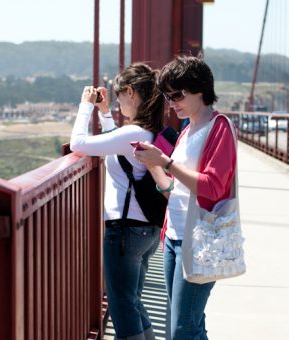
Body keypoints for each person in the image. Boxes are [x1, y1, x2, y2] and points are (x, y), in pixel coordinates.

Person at [134, 55, 236, 340]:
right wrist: (153, 164)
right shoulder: (186, 131)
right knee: (190, 324)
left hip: (198, 240)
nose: (171, 102)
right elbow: (174, 188)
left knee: (182, 329)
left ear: (200, 89)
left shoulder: (219, 128)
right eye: (168, 96)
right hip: (173, 237)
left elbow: (213, 186)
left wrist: (165, 162)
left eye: (177, 94)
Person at [70, 63, 165, 340]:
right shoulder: (146, 131)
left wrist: (85, 105)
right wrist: (105, 113)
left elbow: (77, 143)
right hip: (146, 231)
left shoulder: (132, 134)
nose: (118, 99)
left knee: (122, 307)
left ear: (131, 92)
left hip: (124, 232)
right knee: (133, 301)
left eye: (119, 94)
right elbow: (119, 149)